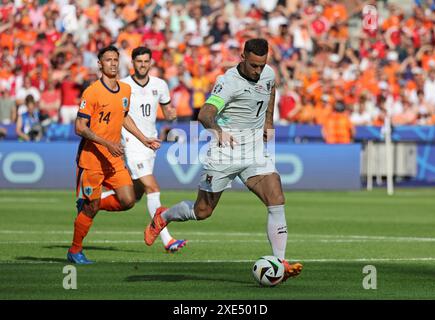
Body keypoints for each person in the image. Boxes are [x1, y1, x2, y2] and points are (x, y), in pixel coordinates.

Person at [144, 38, 303, 281]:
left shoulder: (268, 74)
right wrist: (218, 132)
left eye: (262, 65)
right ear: (243, 57)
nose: (258, 71)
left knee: (276, 199)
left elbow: (271, 89)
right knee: (202, 211)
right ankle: (163, 216)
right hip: (225, 152)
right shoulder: (228, 82)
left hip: (254, 151)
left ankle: (280, 262)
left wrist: (268, 121)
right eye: (254, 66)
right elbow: (206, 113)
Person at [67, 45, 161, 264]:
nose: (112, 63)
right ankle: (74, 250)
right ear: (100, 64)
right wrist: (106, 142)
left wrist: (143, 138)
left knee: (128, 200)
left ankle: (92, 203)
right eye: (107, 60)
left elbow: (124, 117)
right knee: (90, 209)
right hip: (91, 158)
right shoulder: (92, 92)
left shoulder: (125, 90)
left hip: (113, 157)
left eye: (115, 59)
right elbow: (80, 127)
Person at [101, 46, 187, 253]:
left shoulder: (160, 84)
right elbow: (120, 115)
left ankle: (94, 199)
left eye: (146, 61)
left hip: (151, 145)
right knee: (153, 188)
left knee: (133, 197)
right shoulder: (123, 86)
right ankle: (167, 240)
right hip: (132, 144)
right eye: (139, 61)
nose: (142, 65)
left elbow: (166, 110)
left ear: (151, 63)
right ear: (133, 63)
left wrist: (171, 114)